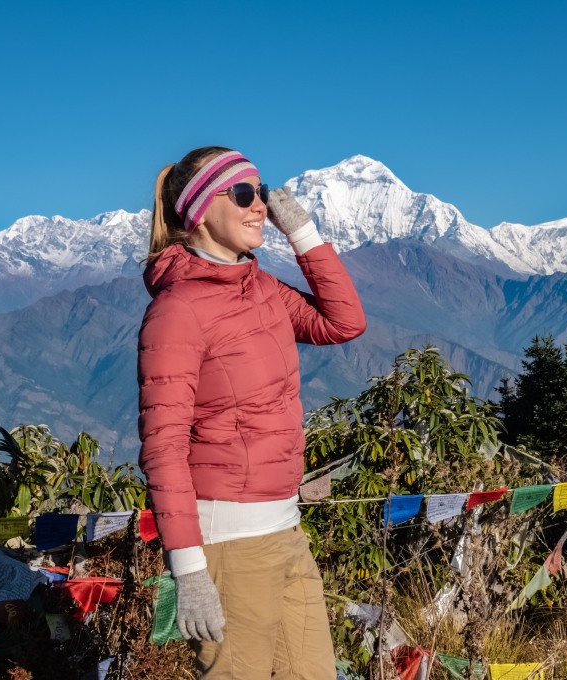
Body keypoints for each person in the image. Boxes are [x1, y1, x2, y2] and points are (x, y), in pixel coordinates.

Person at [137, 146, 366, 679]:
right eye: (243, 193)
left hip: (287, 529)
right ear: (199, 210)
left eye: (260, 192)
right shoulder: (177, 312)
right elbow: (163, 449)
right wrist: (190, 572)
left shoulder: (260, 287)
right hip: (229, 546)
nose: (259, 204)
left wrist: (303, 234)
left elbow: (343, 323)